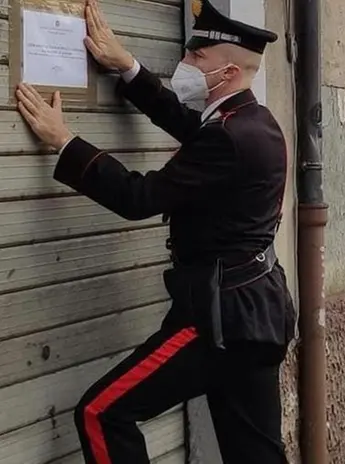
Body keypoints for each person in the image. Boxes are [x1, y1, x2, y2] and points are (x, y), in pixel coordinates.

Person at [14, 0, 296, 462]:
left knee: (102, 413)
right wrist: (127, 66)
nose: (183, 65)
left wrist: (63, 141)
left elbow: (138, 198)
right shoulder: (252, 122)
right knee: (255, 455)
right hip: (257, 314)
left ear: (226, 73)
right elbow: (188, 125)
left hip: (220, 320)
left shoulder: (228, 134)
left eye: (195, 59)